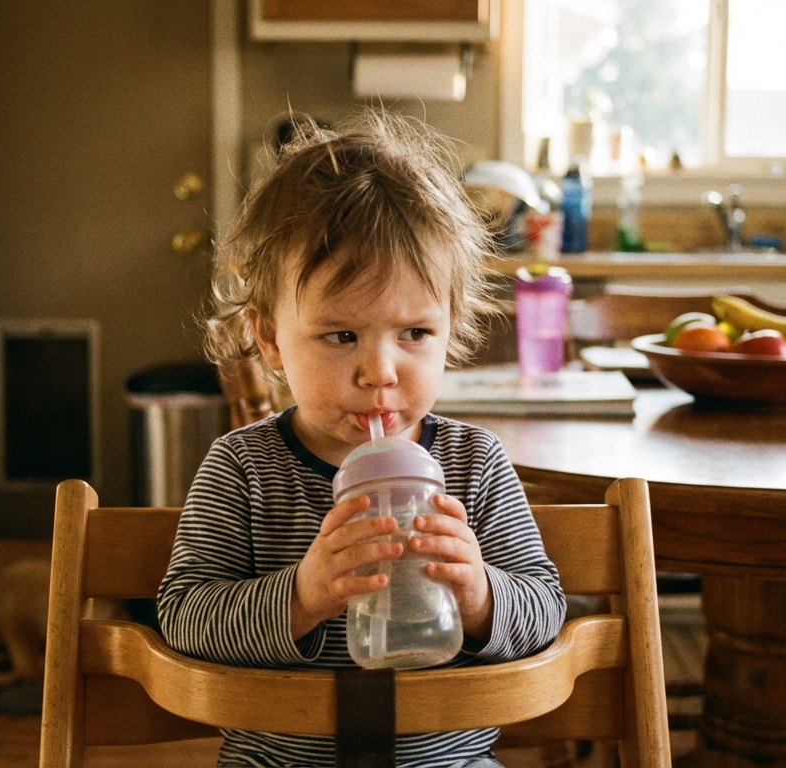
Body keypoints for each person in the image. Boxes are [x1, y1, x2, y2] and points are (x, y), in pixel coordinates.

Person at [157, 110, 566, 767]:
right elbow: (184, 616)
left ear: (451, 327)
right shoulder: (243, 467)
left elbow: (545, 608)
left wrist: (480, 596)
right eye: (341, 335)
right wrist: (303, 595)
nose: (380, 371)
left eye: (414, 334)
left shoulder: (474, 464)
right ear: (269, 339)